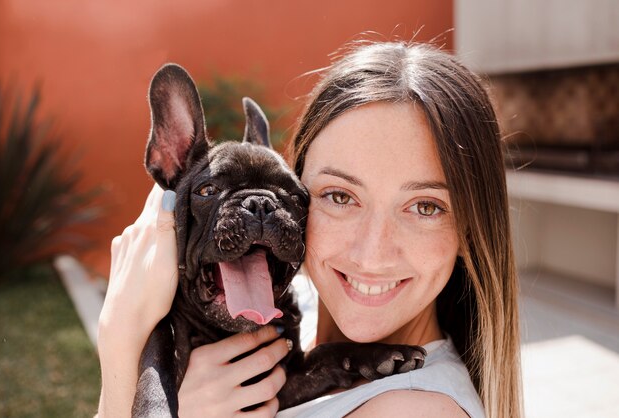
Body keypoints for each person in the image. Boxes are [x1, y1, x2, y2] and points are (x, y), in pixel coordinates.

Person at [97, 41, 523, 418]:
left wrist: (119, 353)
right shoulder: (302, 306)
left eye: (425, 206)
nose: (371, 252)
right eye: (339, 196)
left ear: (472, 229)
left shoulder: (412, 407)